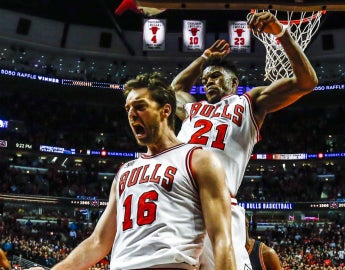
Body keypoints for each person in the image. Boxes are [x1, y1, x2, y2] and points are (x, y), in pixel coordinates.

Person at [29, 72, 236, 270]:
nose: (131, 115)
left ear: (165, 110)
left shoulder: (200, 159)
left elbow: (221, 239)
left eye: (140, 107)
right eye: (128, 108)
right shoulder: (125, 171)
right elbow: (98, 241)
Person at [172, 11, 318, 270]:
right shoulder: (192, 109)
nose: (208, 83)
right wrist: (204, 58)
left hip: (220, 202)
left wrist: (281, 34)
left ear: (234, 82)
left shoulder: (249, 102)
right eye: (205, 80)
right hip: (179, 200)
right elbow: (175, 89)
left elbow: (306, 82)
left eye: (215, 76)